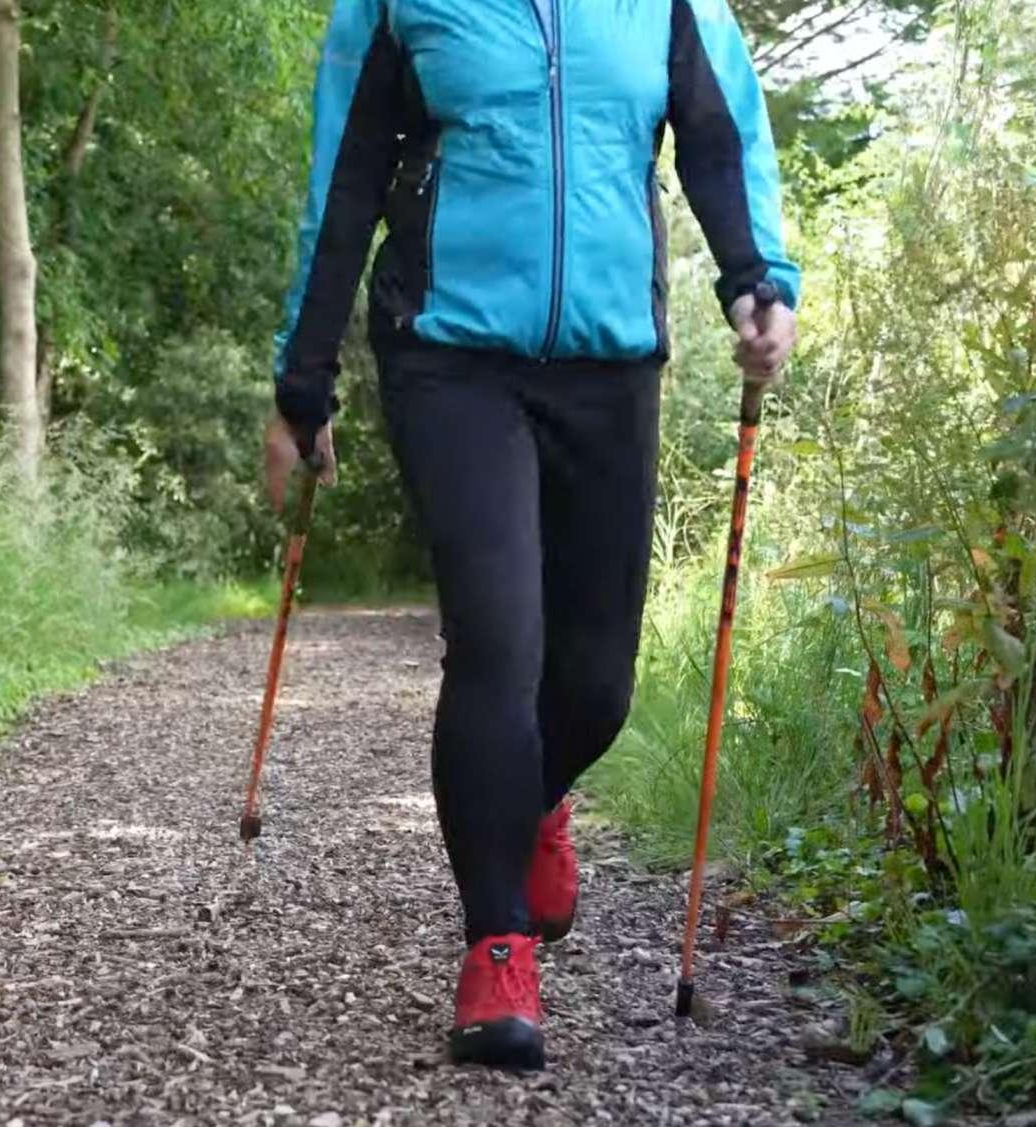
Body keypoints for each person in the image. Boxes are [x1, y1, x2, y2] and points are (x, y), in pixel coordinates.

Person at [264, 0, 800, 1071]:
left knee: (598, 681)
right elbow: (349, 169)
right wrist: (303, 376)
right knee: (499, 641)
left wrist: (757, 278)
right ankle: (496, 945)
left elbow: (718, 131)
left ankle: (537, 795)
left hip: (610, 360)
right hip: (449, 354)